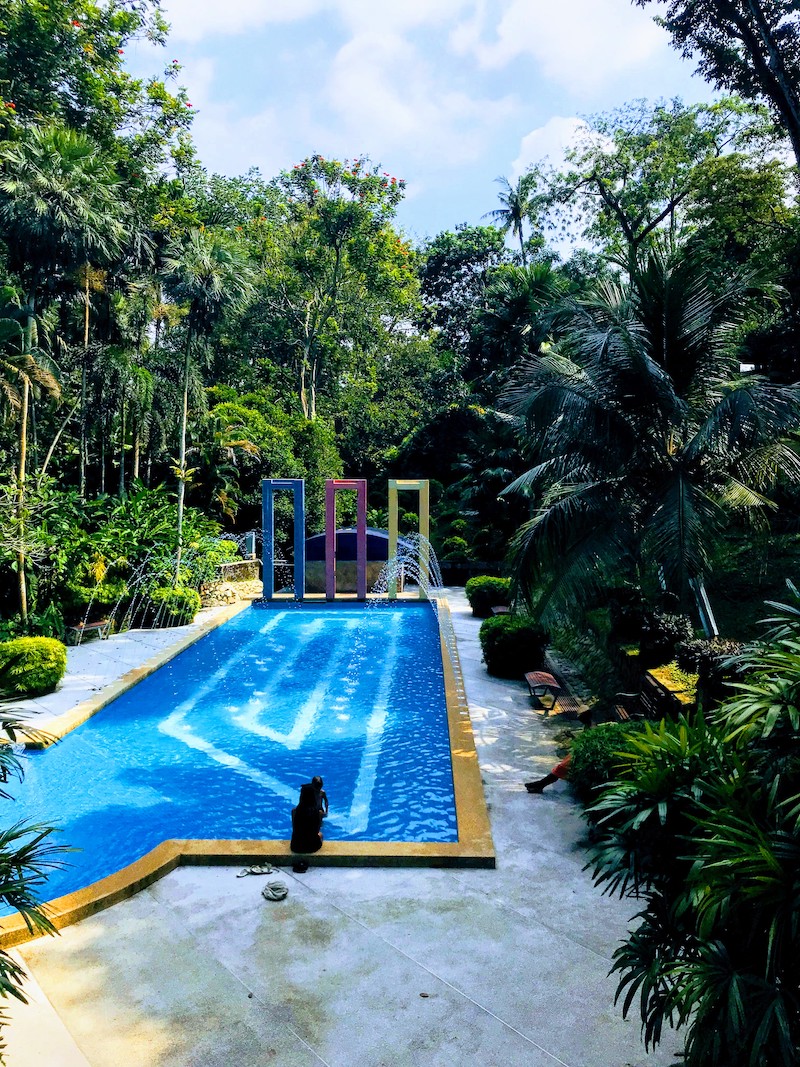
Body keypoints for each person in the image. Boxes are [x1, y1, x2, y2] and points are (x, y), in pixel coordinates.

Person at [290, 782, 323, 854]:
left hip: (296, 847)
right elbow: (317, 830)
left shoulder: (294, 811)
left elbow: (294, 828)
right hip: (312, 847)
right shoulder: (319, 813)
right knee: (320, 834)